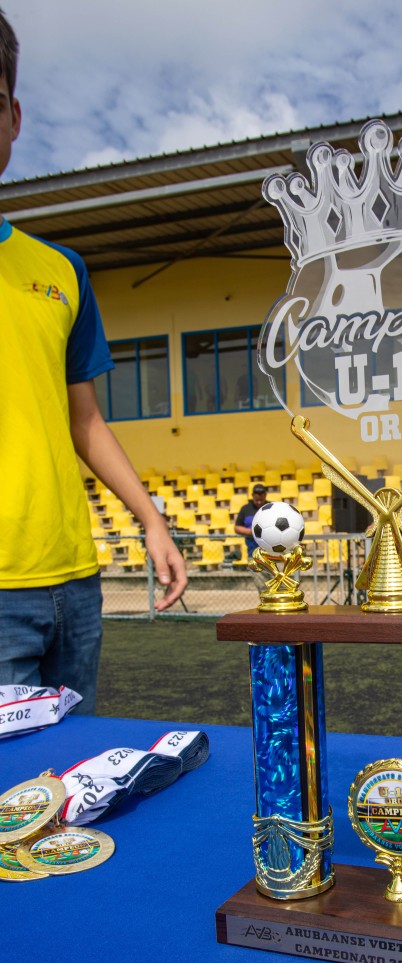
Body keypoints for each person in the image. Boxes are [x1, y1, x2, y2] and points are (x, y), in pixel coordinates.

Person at [0, 10, 186, 714]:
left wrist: (151, 520)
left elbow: (85, 421)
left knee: (78, 775)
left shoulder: (61, 271)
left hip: (75, 585)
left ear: (14, 117)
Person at [234, 484, 268, 561]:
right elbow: (237, 527)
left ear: (265, 495)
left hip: (270, 552)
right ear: (252, 495)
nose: (259, 502)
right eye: (257, 500)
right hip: (252, 552)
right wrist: (252, 532)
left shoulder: (271, 507)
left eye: (261, 500)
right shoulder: (245, 509)